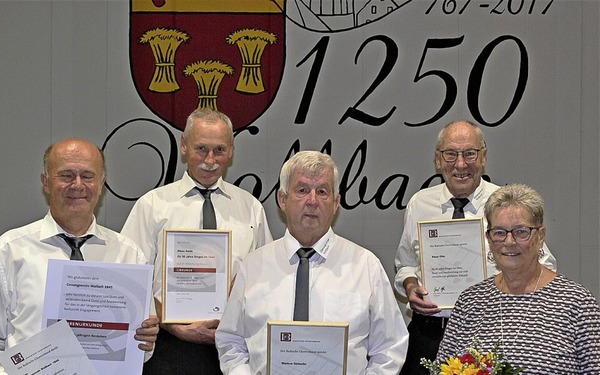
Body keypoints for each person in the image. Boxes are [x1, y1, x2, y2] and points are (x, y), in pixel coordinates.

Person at [0, 138, 159, 374]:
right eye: (66, 175)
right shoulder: (10, 251)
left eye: (87, 176)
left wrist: (145, 341)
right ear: (45, 182)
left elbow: (142, 351)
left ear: (102, 183)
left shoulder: (129, 253)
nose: (77, 185)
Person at [215, 150, 409, 374]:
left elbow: (391, 347)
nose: (312, 201)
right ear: (282, 199)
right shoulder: (253, 266)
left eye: (323, 192)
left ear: (336, 203)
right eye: (302, 190)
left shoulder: (366, 266)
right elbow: (231, 341)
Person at [394, 120, 557, 374]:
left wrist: (504, 290)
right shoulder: (419, 203)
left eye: (470, 153)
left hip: (492, 330)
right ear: (438, 160)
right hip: (429, 334)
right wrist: (411, 286)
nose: (460, 164)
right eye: (450, 154)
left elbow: (545, 265)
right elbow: (405, 265)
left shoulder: (505, 204)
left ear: (484, 157)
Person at [121, 108, 273, 375]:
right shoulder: (152, 205)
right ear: (183, 145)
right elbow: (131, 279)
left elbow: (266, 279)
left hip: (237, 351)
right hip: (170, 348)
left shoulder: (251, 208)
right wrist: (172, 324)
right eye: (201, 148)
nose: (210, 160)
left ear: (232, 150)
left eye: (220, 150)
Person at [436, 183, 600, 373]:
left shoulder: (577, 303)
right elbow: (441, 369)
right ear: (489, 239)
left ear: (540, 236)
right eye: (499, 233)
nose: (509, 242)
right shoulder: (470, 301)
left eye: (521, 232)